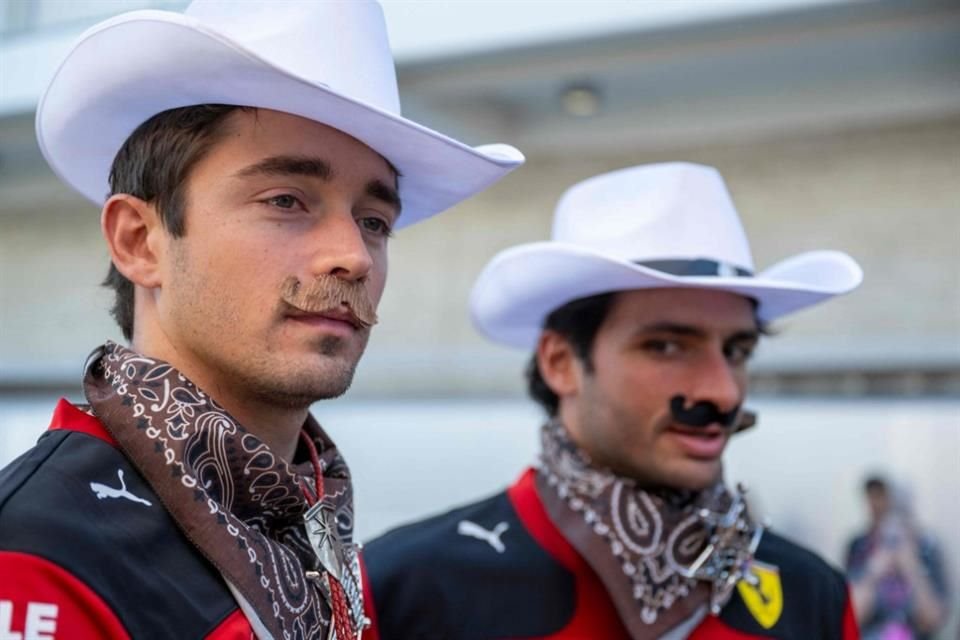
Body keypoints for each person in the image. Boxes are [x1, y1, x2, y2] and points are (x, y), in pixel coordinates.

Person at [0, 2, 522, 639]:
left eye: (375, 221)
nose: (354, 256)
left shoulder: (311, 529)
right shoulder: (39, 552)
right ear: (139, 240)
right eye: (286, 201)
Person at [365, 163, 864, 639]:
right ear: (560, 362)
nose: (723, 391)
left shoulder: (811, 594)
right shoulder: (411, 587)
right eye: (667, 346)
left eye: (736, 350)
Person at [846, 475, 949, 640]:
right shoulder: (859, 547)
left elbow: (933, 619)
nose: (875, 505)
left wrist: (911, 567)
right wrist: (874, 571)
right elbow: (852, 616)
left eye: (881, 497)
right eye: (871, 498)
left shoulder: (926, 547)